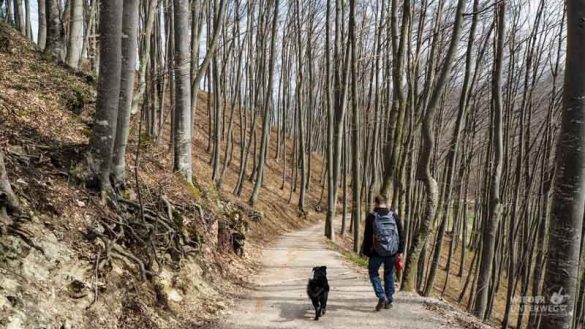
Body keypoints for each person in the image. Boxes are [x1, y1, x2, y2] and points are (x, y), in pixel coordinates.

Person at [360, 195, 405, 311]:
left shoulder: (371, 217)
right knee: (389, 274)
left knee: (373, 272)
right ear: (386, 202)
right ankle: (389, 300)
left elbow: (368, 236)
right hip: (392, 251)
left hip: (376, 252)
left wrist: (366, 252)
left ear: (375, 203)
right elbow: (401, 234)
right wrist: (400, 251)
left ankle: (381, 296)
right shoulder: (394, 216)